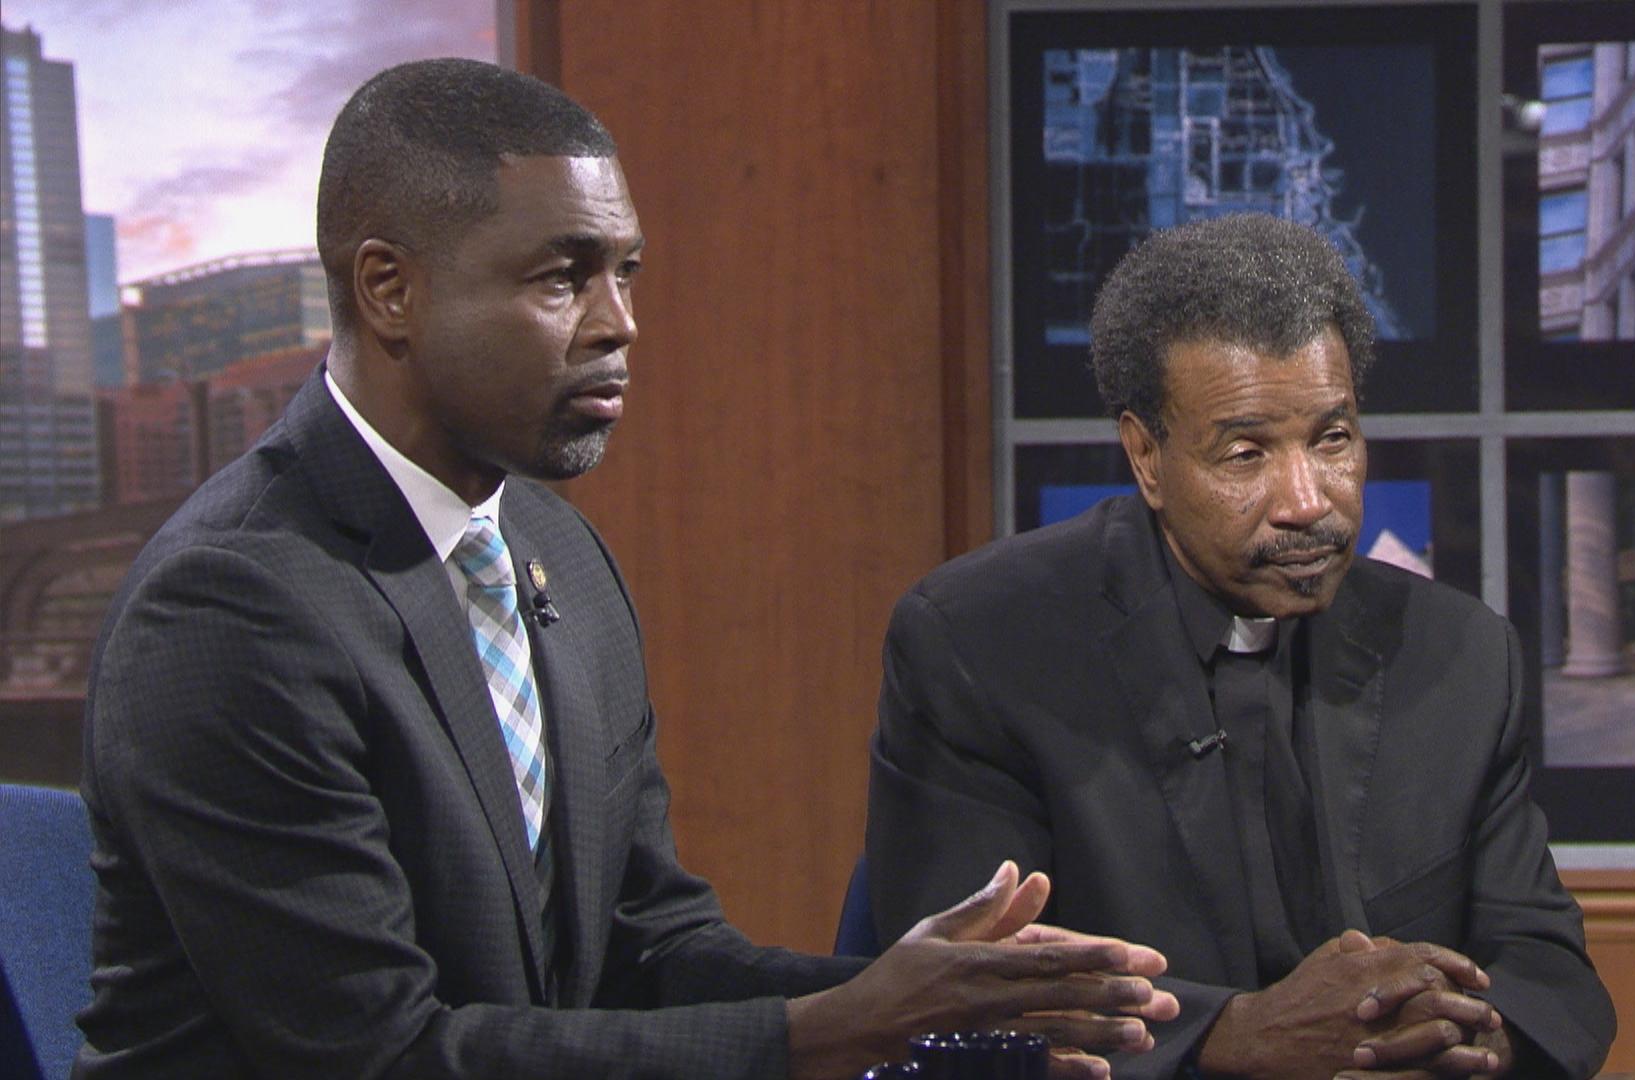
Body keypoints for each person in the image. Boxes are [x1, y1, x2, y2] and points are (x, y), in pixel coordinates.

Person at [75, 58, 1180, 1080]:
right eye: (564, 279)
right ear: (388, 290)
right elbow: (381, 1055)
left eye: (627, 272)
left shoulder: (556, 553)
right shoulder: (233, 606)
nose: (622, 325)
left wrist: (925, 1003)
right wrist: (844, 1027)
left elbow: (647, 946)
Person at [864, 214, 1616, 1079]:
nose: (1307, 500)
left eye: (1332, 440)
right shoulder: (980, 644)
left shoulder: (1463, 658)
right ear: (1146, 456)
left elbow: (1550, 972)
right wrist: (1232, 1040)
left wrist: (1470, 1038)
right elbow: (960, 1006)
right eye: (1247, 452)